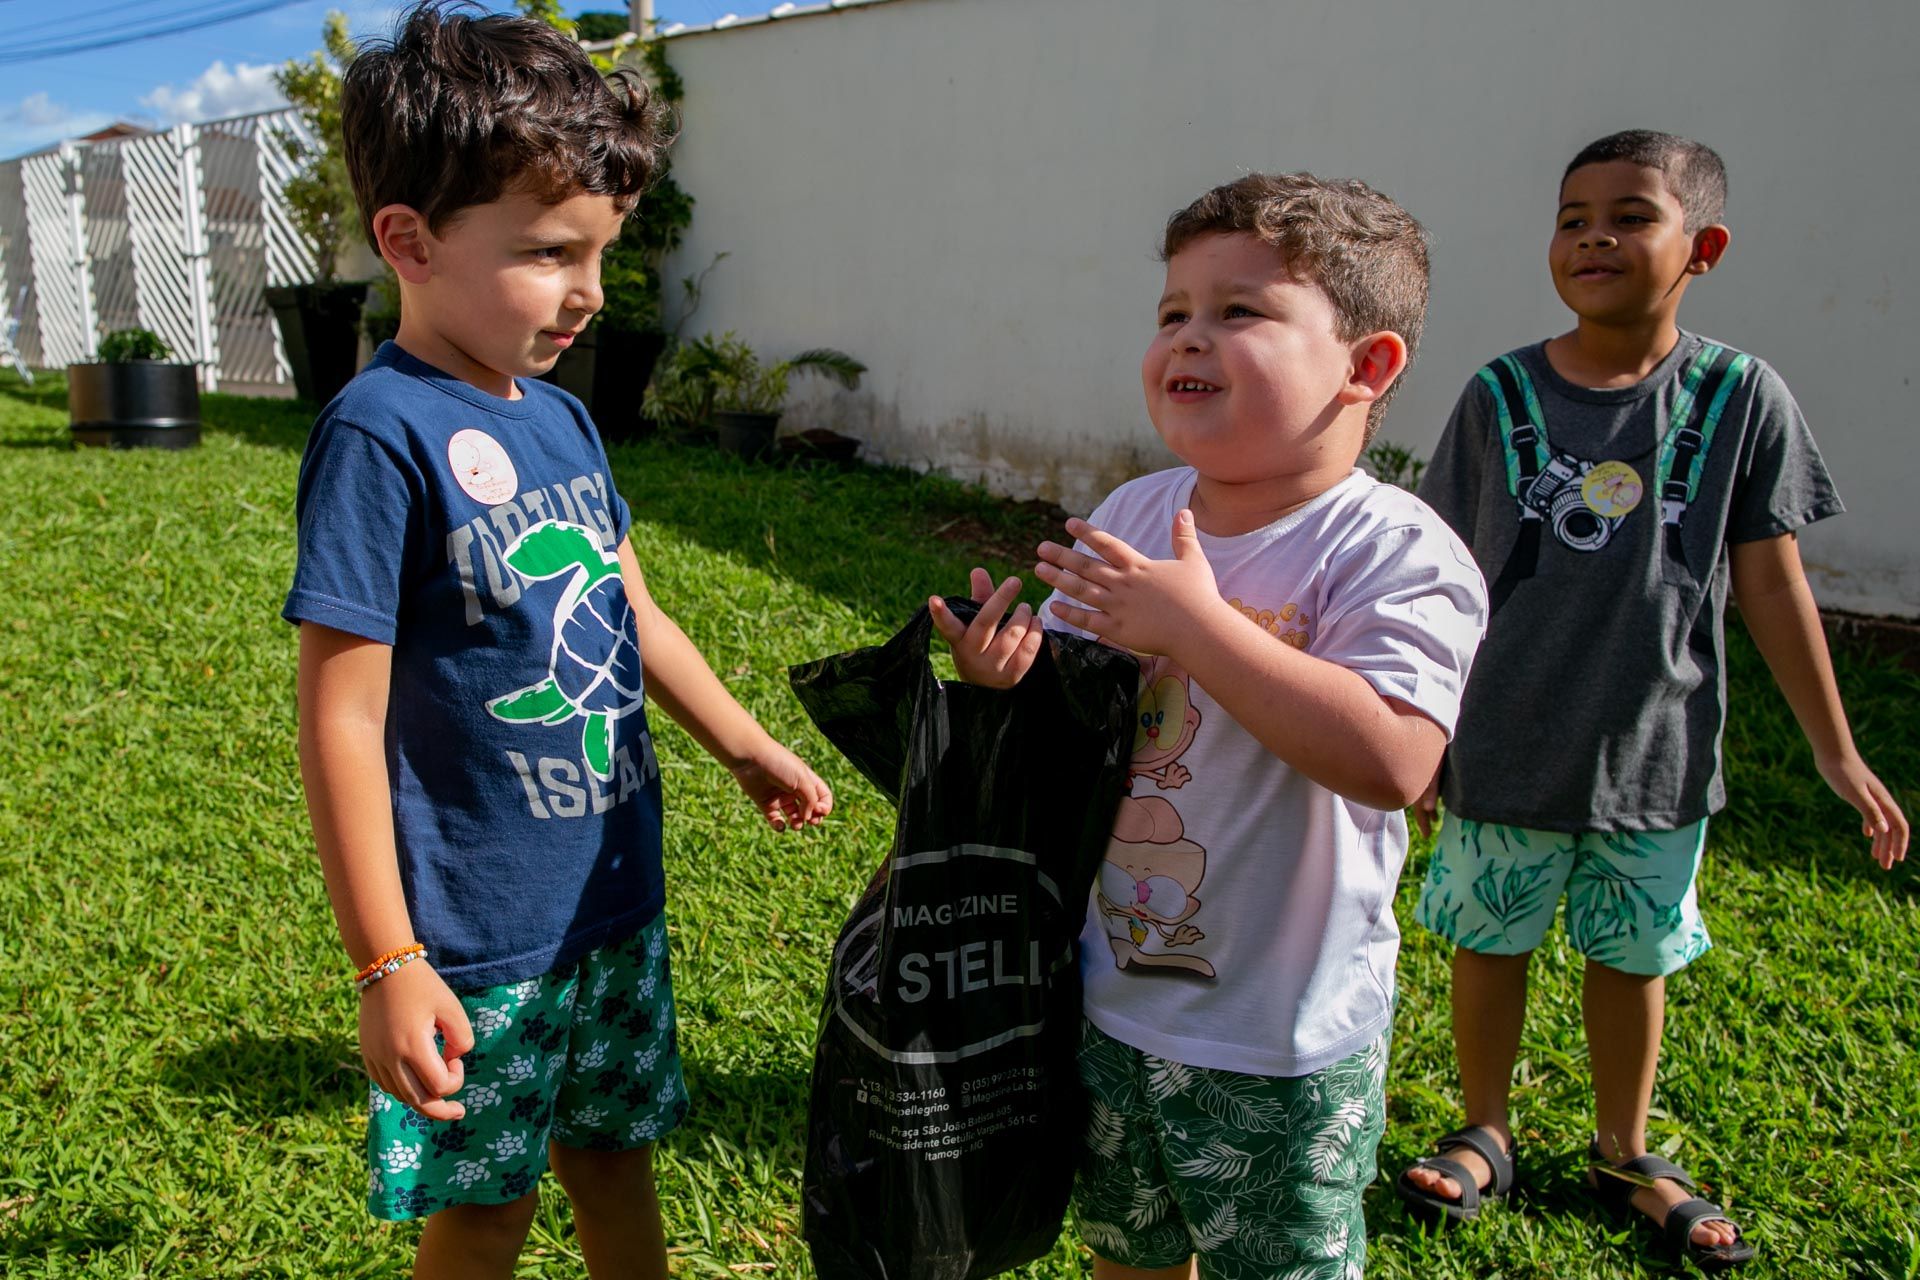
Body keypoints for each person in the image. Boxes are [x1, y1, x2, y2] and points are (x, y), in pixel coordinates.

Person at [282, 7, 832, 1276]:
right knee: (487, 1207)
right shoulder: (378, 436)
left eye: (600, 252)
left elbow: (630, 608)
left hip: (609, 893)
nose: (588, 291)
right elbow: (341, 717)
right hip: (479, 930)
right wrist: (388, 960)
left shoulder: (564, 421)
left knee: (615, 1153)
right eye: (547, 253)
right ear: (408, 243)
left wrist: (743, 745)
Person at [931, 173, 1488, 1279]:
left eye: (1240, 311)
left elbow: (1392, 759)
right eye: (1173, 311)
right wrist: (1009, 676)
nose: (1190, 335)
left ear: (1366, 367)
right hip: (1110, 996)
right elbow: (1080, 710)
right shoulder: (1141, 512)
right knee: (1125, 1254)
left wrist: (1198, 625)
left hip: (1277, 1036)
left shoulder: (1393, 551)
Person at [1396, 129, 1908, 1270]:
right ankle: (1487, 1126)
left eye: (1630, 215)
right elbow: (1444, 572)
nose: (1594, 237)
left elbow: (1770, 579)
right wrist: (1422, 727)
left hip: (1656, 754)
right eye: (1573, 215)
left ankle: (1625, 1148)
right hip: (1506, 739)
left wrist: (1834, 747)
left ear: (1703, 247)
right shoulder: (1499, 393)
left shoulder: (1740, 396)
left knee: (1634, 957)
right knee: (1490, 937)